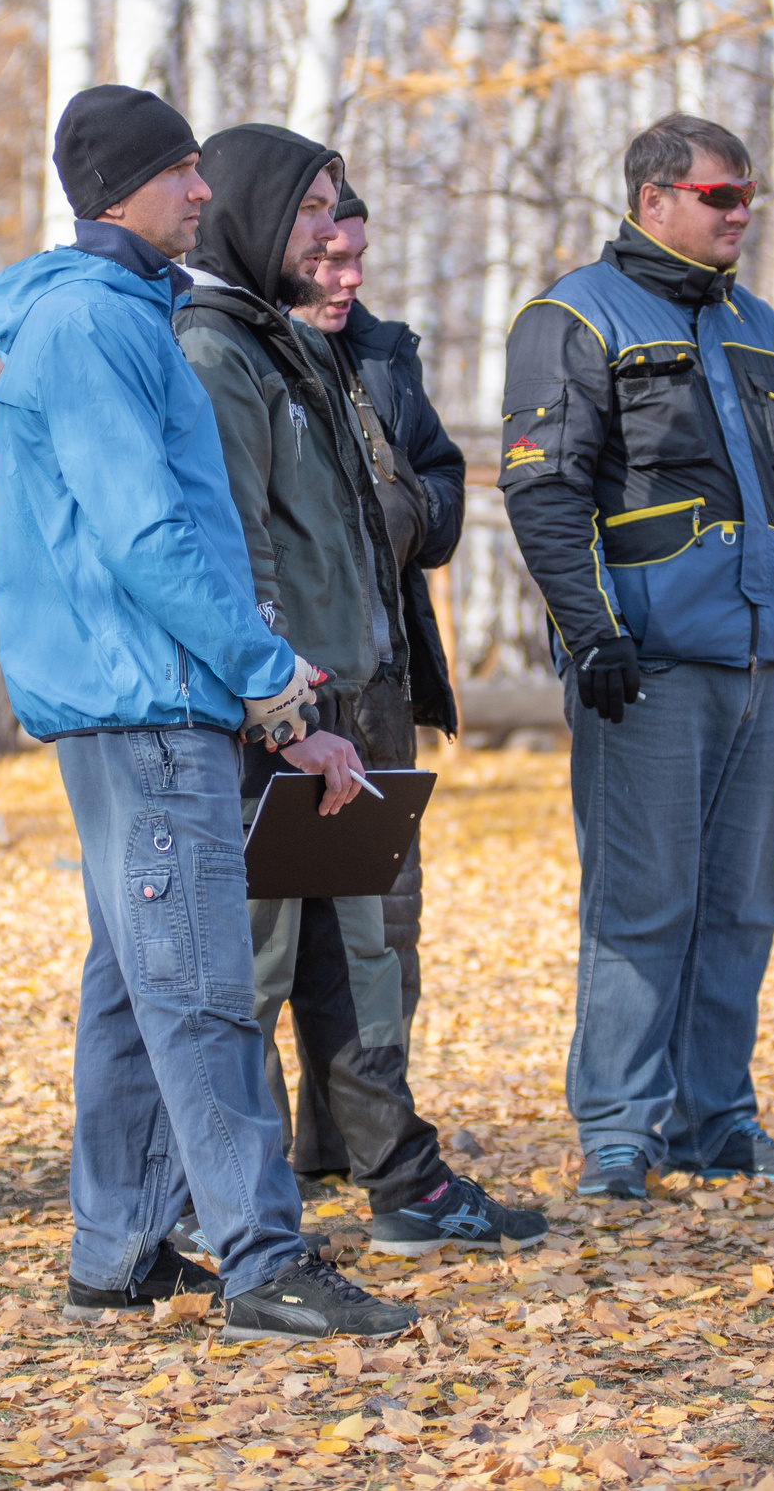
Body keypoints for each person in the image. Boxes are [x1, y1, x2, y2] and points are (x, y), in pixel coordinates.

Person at [0, 85, 416, 1343]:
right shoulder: (96, 327)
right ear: (122, 190)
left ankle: (114, 1250)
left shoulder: (116, 313)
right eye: (182, 173)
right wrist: (269, 679)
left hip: (146, 696)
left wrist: (266, 699)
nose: (204, 192)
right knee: (206, 992)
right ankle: (264, 1259)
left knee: (132, 987)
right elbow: (148, 535)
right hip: (147, 701)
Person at [176, 124, 543, 1257]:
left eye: (341, 213)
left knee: (365, 952)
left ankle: (400, 1178)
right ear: (254, 212)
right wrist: (281, 706)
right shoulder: (217, 350)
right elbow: (241, 548)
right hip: (284, 716)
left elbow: (395, 501)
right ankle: (230, 1205)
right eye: (313, 212)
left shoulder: (313, 352)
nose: (336, 237)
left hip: (357, 695)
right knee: (258, 963)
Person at [498, 113, 774, 1199]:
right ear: (653, 199)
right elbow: (543, 489)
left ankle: (716, 1119)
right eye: (718, 197)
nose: (740, 213)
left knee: (742, 901)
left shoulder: (755, 321)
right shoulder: (571, 315)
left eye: (747, 196)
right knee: (642, 899)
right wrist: (591, 631)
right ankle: (617, 1129)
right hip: (642, 664)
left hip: (755, 657)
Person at [279, 174, 466, 1177]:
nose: (346, 278)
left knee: (383, 933)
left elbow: (439, 474)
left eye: (357, 258)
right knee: (275, 939)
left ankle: (353, 1140)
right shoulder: (245, 356)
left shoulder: (385, 355)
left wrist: (397, 517)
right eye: (327, 259)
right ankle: (256, 1158)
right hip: (286, 696)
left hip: (383, 686)